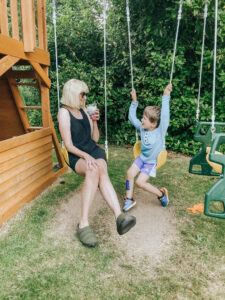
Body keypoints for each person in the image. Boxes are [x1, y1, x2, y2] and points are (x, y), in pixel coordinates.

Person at [58, 79, 136, 247]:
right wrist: (85, 156)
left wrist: (94, 121)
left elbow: (95, 139)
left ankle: (119, 217)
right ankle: (83, 223)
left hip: (94, 151)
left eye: (86, 94)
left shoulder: (84, 111)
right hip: (76, 154)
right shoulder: (64, 113)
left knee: (99, 168)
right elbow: (69, 145)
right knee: (93, 170)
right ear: (72, 94)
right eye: (82, 94)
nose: (85, 97)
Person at [123, 83, 172, 212]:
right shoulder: (142, 127)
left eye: (145, 118)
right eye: (143, 117)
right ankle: (128, 199)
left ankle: (161, 195)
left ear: (154, 124)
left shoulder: (159, 131)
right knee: (129, 173)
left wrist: (165, 96)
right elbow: (131, 117)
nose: (142, 120)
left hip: (151, 162)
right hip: (142, 157)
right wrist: (134, 102)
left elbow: (165, 117)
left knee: (140, 183)